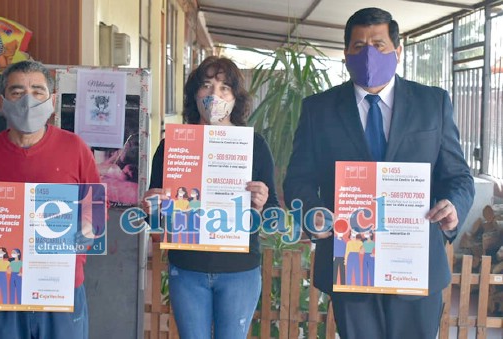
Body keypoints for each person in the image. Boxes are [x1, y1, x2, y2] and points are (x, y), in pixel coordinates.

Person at [283, 7, 474, 339]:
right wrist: (311, 210)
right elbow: (297, 178)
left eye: (379, 44)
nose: (368, 54)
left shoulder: (433, 103)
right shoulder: (319, 109)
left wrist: (454, 206)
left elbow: (458, 176)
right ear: (345, 54)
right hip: (352, 260)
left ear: (397, 51)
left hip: (415, 261)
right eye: (358, 46)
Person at [0, 60, 100, 339]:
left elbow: (96, 207)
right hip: (3, 288)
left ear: (52, 101)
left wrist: (89, 226)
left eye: (38, 91)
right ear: (1, 102)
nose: (28, 100)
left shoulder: (75, 149)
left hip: (61, 290)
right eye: (17, 92)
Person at [142, 56, 279, 338]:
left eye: (224, 87)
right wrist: (151, 207)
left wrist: (263, 203)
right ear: (195, 94)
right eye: (206, 85)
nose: (214, 95)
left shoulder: (254, 145)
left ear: (235, 98)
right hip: (188, 267)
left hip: (239, 269)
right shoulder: (172, 146)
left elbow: (273, 214)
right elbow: (155, 218)